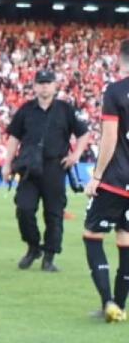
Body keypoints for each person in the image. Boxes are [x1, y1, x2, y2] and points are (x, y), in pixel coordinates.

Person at [3, 69, 90, 273]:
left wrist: (75, 155)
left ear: (55, 85)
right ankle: (33, 247)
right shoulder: (25, 110)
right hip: (29, 168)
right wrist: (7, 164)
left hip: (55, 166)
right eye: (41, 82)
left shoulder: (65, 109)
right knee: (24, 208)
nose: (44, 86)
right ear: (34, 86)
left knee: (54, 214)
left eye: (48, 82)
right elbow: (14, 138)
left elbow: (83, 133)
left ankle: (49, 256)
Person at [82, 39, 129, 323]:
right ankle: (120, 306)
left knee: (92, 235)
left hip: (116, 180)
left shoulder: (115, 91)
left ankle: (108, 302)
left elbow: (110, 138)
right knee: (125, 238)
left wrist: (96, 177)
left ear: (121, 58)